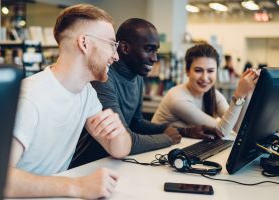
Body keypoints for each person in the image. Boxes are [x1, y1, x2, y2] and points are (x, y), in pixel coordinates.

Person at [4, 4, 132, 199]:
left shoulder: (86, 92)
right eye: (111, 44)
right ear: (84, 43)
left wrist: (118, 132)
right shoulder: (29, 98)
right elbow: (1, 179)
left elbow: (119, 149)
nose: (115, 56)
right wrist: (78, 187)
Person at [70, 18, 218, 168]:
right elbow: (122, 140)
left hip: (113, 165)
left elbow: (136, 122)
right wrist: (166, 138)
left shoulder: (137, 77)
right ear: (124, 48)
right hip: (85, 167)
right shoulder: (103, 80)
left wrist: (186, 131)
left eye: (156, 51)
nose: (154, 58)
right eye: (149, 49)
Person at [152, 43, 258, 136]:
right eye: (198, 70)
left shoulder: (212, 93)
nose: (204, 77)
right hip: (157, 153)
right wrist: (239, 94)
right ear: (187, 71)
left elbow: (236, 128)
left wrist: (248, 92)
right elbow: (221, 131)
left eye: (210, 71)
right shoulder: (178, 99)